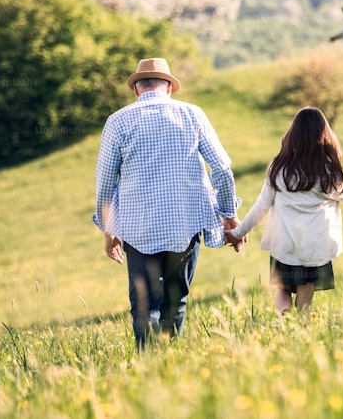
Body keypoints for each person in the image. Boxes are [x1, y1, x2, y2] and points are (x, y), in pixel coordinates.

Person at [93, 58, 245, 349]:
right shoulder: (193, 114)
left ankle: (148, 362)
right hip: (185, 225)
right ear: (169, 88)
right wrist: (229, 214)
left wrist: (109, 232)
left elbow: (104, 184)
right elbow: (223, 169)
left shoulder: (118, 121)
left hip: (138, 228)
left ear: (137, 90)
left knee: (144, 304)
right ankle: (170, 361)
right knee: (175, 300)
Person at [226, 107, 343, 316]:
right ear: (324, 136)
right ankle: (302, 325)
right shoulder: (327, 172)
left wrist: (237, 234)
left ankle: (283, 315)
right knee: (305, 289)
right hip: (314, 246)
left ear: (292, 135)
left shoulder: (278, 168)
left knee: (282, 288)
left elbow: (261, 207)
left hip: (284, 244)